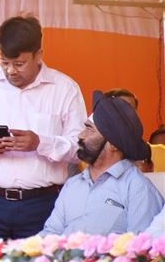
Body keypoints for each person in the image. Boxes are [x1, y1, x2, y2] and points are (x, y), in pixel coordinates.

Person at [0, 15, 86, 242]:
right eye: (4, 62)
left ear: (39, 55)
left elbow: (81, 147)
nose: (11, 71)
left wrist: (41, 143)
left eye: (19, 63)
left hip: (42, 205)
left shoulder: (64, 88)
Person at [41, 91, 163, 235]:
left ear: (113, 144)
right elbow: (51, 234)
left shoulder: (138, 189)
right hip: (63, 257)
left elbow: (142, 250)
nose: (80, 135)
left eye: (89, 130)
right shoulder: (72, 184)